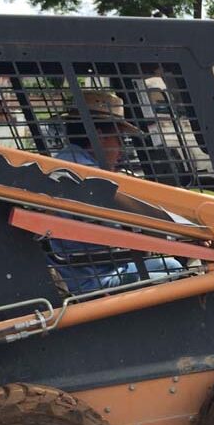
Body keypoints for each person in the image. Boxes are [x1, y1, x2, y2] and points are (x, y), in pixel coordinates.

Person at [50, 91, 182, 293]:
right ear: (99, 135)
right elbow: (124, 228)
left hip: (84, 267)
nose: (121, 150)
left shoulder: (65, 162)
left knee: (169, 263)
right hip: (94, 277)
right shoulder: (89, 176)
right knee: (176, 270)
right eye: (119, 139)